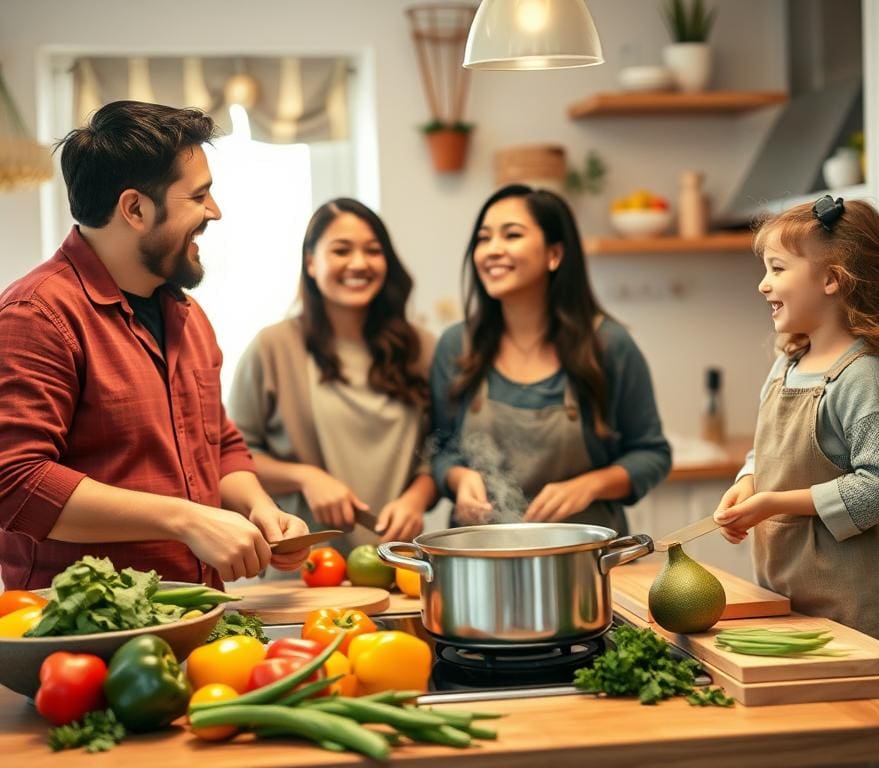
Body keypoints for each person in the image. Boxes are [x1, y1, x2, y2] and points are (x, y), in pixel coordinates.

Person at [0, 100, 310, 590]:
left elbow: (219, 442)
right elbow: (17, 483)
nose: (215, 211)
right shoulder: (37, 315)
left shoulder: (187, 315)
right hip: (84, 636)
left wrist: (259, 507)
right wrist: (186, 520)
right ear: (135, 209)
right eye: (199, 196)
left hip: (197, 616)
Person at [714, 195, 879, 681]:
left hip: (869, 599)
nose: (763, 284)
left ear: (831, 280)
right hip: (798, 585)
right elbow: (770, 449)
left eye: (777, 268)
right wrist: (749, 480)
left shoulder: (865, 377)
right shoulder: (788, 365)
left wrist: (773, 502)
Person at [430, 184, 671, 533]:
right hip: (480, 556)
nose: (492, 250)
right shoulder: (457, 346)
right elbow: (440, 447)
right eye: (483, 239)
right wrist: (457, 477)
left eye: (512, 235)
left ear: (554, 254)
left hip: (584, 560)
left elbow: (652, 454)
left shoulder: (609, 345)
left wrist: (590, 485)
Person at [229, 198, 436, 555]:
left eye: (373, 250)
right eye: (341, 250)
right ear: (311, 263)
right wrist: (306, 477)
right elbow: (231, 457)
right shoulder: (273, 347)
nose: (358, 263)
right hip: (303, 569)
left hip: (397, 566)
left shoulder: (422, 348)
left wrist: (416, 500)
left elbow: (442, 449)